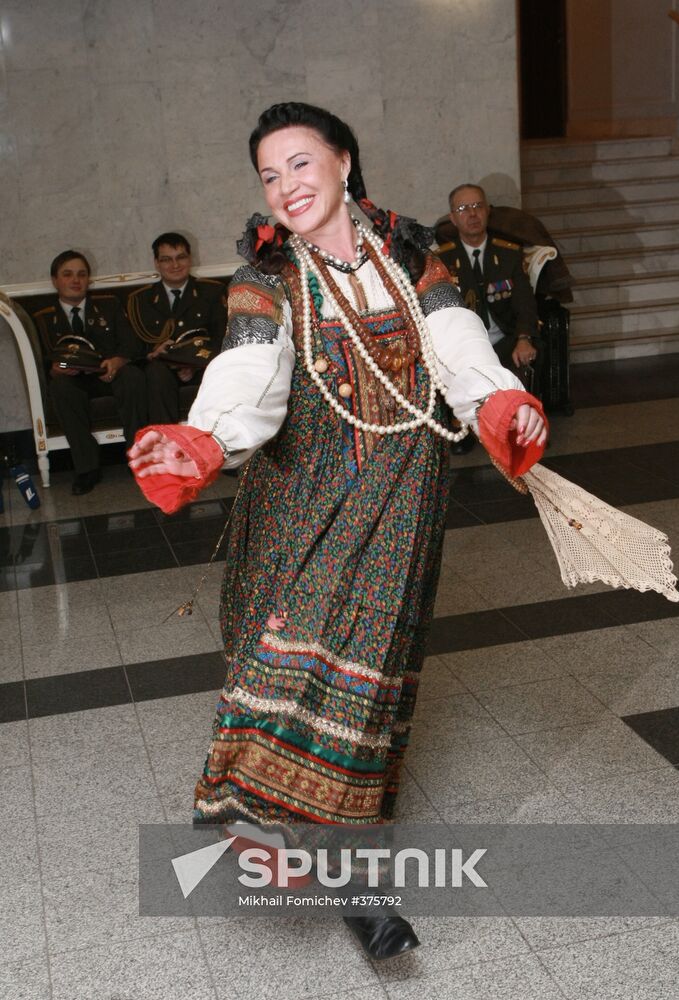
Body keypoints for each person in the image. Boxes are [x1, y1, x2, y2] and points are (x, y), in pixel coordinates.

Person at [128, 103, 547, 959]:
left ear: (344, 163)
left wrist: (499, 401)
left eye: (300, 164)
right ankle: (279, 844)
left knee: (369, 685)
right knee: (290, 667)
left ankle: (354, 882)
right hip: (299, 507)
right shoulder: (268, 279)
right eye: (269, 175)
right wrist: (203, 437)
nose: (286, 187)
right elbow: (249, 365)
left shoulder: (414, 264)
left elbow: (458, 343)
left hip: (401, 501)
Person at [34, 250, 147, 495]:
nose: (75, 280)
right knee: (60, 388)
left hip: (111, 374)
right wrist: (59, 368)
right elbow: (46, 361)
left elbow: (132, 345)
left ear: (88, 279)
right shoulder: (43, 317)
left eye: (81, 274)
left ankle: (137, 457)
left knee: (134, 377)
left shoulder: (109, 306)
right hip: (73, 380)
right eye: (67, 274)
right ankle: (87, 468)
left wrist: (118, 361)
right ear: (55, 280)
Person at [435, 184, 540, 389]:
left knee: (529, 354)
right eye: (464, 209)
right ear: (453, 218)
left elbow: (525, 303)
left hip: (505, 340)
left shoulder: (509, 254)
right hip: (464, 346)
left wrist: (524, 338)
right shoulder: (442, 260)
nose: (473, 214)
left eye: (478, 206)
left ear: (487, 211)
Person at [127, 232, 227, 423]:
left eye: (181, 257)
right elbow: (133, 350)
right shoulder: (141, 299)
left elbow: (222, 338)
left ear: (190, 259)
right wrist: (152, 353)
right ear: (156, 263)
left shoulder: (212, 292)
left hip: (202, 366)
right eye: (166, 260)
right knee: (155, 373)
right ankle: (167, 443)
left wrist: (193, 365)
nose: (175, 265)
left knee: (217, 374)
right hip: (160, 369)